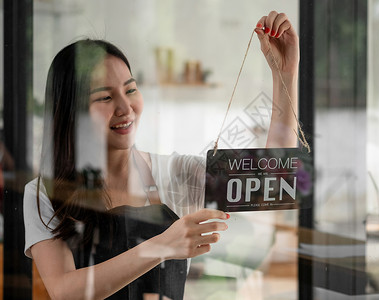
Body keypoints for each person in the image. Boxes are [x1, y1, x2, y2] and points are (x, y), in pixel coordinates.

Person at [23, 11, 300, 300]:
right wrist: (161, 246)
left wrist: (285, 75)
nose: (125, 107)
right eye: (105, 97)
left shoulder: (175, 175)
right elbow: (66, 292)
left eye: (130, 89)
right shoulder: (43, 194)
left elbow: (273, 180)